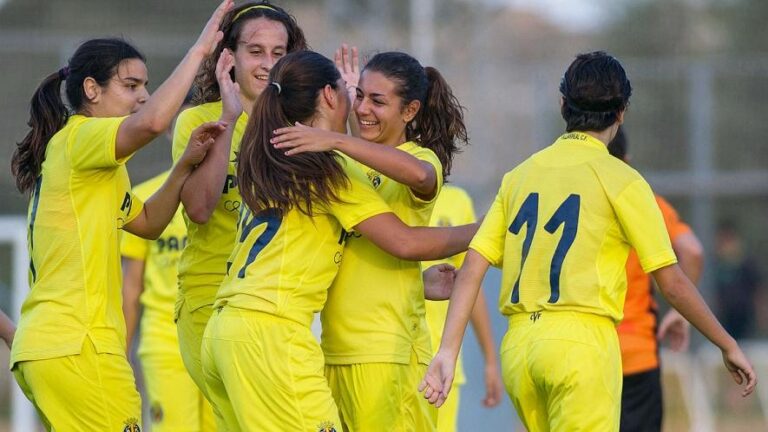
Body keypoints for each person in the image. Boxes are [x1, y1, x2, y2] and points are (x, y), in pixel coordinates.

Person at [419, 51, 757, 432]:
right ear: (621, 112)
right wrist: (726, 344)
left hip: (519, 348)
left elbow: (472, 269)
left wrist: (447, 351)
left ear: (563, 103)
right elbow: (673, 283)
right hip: (581, 345)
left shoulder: (519, 176)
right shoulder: (622, 179)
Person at [200, 50, 477, 431]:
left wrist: (417, 281)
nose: (361, 106)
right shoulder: (330, 168)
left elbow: (419, 179)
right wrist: (489, 228)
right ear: (331, 96)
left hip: (378, 349)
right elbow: (401, 242)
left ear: (410, 111)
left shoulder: (291, 157)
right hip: (288, 339)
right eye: (356, 94)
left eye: (376, 99)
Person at [8, 1, 233, 429]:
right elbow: (151, 124)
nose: (144, 96)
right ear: (91, 89)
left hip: (50, 349)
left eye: (146, 86)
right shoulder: (83, 138)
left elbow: (148, 223)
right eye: (131, 85)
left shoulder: (97, 164)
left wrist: (184, 164)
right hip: (80, 346)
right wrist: (200, 51)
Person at [172, 1, 308, 396]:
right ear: (229, 57)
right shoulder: (198, 120)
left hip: (273, 307)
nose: (268, 63)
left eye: (278, 53)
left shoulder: (300, 127)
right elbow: (199, 209)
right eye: (256, 51)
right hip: (208, 298)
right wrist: (230, 119)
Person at [608, 127, 705, 432]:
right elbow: (692, 250)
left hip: (586, 350)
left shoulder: (574, 201)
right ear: (626, 158)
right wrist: (680, 312)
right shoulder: (644, 201)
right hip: (637, 350)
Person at [423, 184, 503, 431]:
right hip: (390, 355)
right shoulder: (383, 191)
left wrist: (490, 359)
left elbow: (469, 283)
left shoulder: (457, 201)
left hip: (440, 364)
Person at [715, 220, 763, 340]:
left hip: (745, 315)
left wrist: (761, 311)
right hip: (723, 316)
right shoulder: (715, 265)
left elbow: (758, 289)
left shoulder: (748, 263)